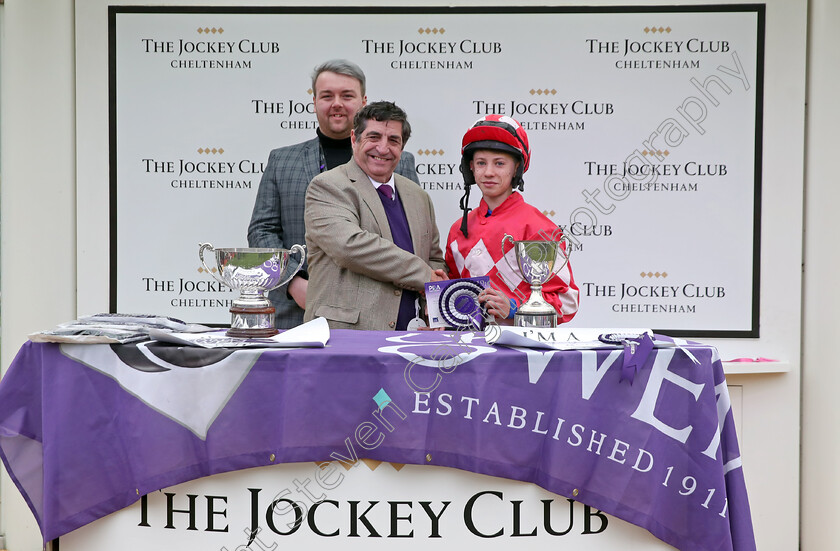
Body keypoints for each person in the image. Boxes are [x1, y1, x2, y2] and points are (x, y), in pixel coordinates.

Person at [247, 59, 420, 329]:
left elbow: (410, 235)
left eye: (347, 95)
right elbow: (262, 232)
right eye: (327, 96)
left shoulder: (400, 162)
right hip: (298, 311)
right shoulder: (281, 161)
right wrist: (293, 283)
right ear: (314, 101)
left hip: (377, 315)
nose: (337, 103)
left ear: (363, 101)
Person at [303, 101, 447, 330]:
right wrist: (425, 276)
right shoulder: (328, 187)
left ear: (402, 147)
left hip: (413, 341)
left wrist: (435, 303)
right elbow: (350, 247)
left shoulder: (418, 196)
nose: (383, 148)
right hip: (346, 340)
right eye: (374, 137)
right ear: (354, 138)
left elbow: (434, 260)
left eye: (393, 140)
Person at [445, 114, 579, 324]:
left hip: (520, 352)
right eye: (481, 163)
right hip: (469, 351)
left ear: (516, 167)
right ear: (470, 167)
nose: (488, 172)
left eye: (499, 163)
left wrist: (515, 307)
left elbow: (568, 300)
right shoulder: (457, 231)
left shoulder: (538, 228)